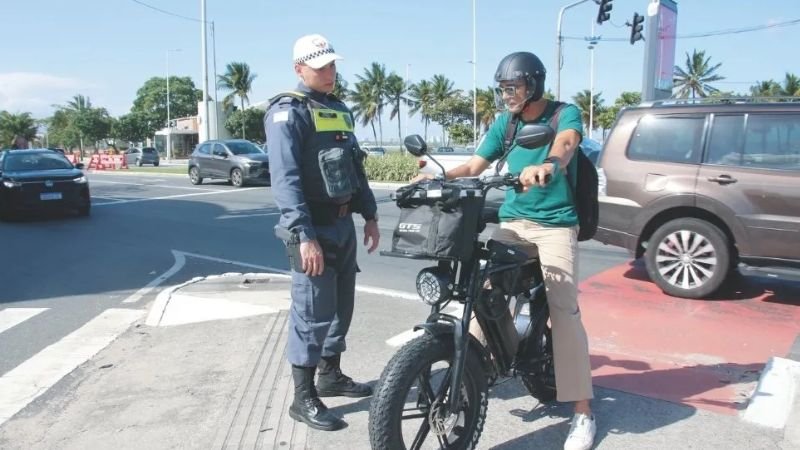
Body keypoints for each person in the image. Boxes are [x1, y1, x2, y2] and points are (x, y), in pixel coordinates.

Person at [412, 51, 596, 450]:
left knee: (565, 311)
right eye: (504, 89)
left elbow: (566, 144)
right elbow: (475, 165)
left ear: (534, 85)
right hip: (513, 223)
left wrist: (548, 164)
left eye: (514, 87)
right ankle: (480, 370)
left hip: (556, 225)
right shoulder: (506, 123)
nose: (508, 95)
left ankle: (582, 412)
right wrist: (437, 176)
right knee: (481, 291)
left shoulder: (563, 114)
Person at [264, 33, 380, 432]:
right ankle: (303, 397)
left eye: (333, 65)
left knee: (340, 307)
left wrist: (370, 213)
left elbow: (355, 163)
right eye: (322, 67)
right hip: (312, 226)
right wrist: (303, 234)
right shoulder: (287, 111)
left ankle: (331, 375)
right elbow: (286, 178)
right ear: (300, 69)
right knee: (311, 313)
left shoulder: (337, 108)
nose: (331, 72)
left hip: (343, 222)